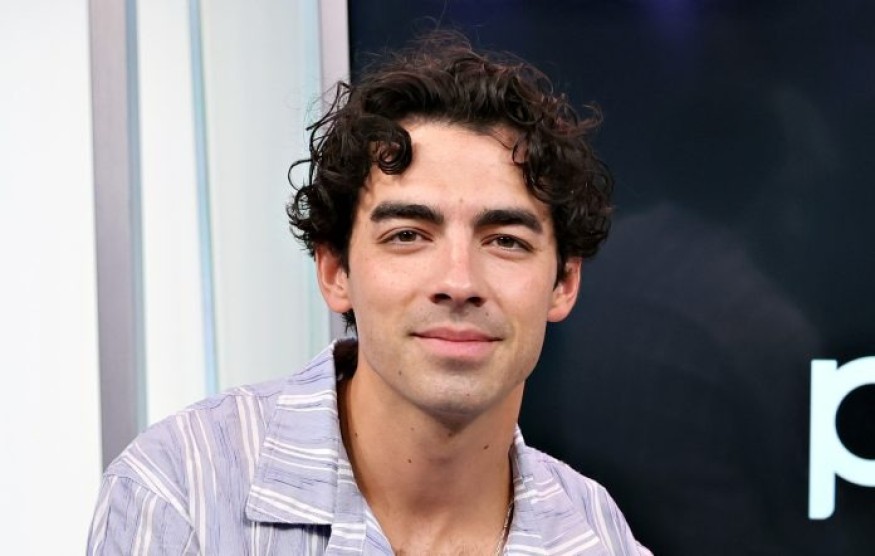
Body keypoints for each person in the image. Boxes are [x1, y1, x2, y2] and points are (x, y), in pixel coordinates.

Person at [87, 32, 651, 555]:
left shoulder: (598, 540)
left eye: (505, 240)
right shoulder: (184, 492)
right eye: (408, 235)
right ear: (336, 271)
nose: (459, 283)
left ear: (563, 283)